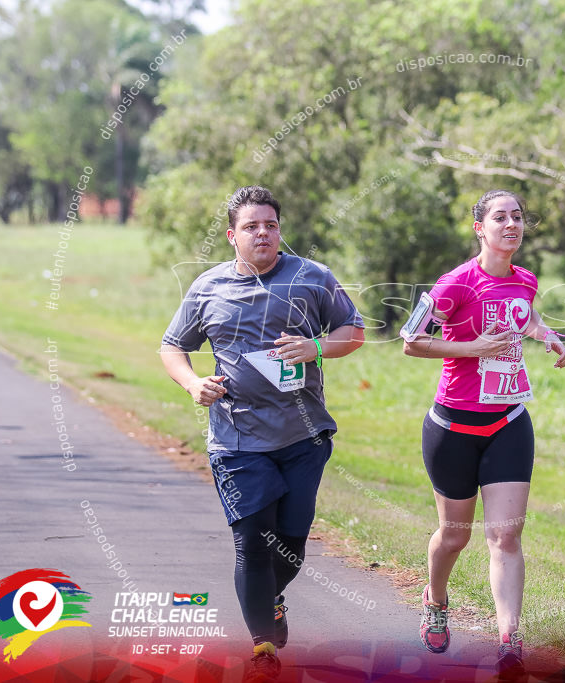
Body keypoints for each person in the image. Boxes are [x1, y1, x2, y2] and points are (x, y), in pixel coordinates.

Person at [160, 186, 364, 682]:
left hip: (303, 434)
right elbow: (172, 346)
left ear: (280, 231)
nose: (263, 234)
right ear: (233, 236)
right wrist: (192, 383)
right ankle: (263, 648)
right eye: (252, 227)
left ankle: (271, 596)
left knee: (289, 543)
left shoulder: (311, 278)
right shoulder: (208, 288)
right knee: (251, 542)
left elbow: (353, 331)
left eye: (270, 225)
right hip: (235, 437)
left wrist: (315, 347)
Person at [402, 189, 565, 677]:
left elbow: (525, 313)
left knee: (506, 535)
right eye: (500, 217)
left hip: (508, 422)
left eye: (518, 216)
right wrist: (472, 347)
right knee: (454, 537)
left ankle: (509, 640)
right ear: (480, 227)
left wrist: (545, 332)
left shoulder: (526, 280)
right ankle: (435, 599)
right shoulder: (454, 283)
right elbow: (410, 341)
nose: (511, 224)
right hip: (453, 426)